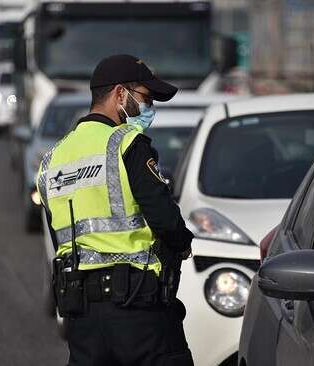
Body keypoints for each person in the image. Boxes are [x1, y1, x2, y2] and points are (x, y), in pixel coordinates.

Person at [36, 54, 194, 366]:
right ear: (120, 94)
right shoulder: (127, 144)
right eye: (145, 98)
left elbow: (60, 237)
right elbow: (164, 219)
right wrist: (183, 243)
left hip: (82, 316)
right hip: (138, 310)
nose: (150, 108)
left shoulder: (53, 158)